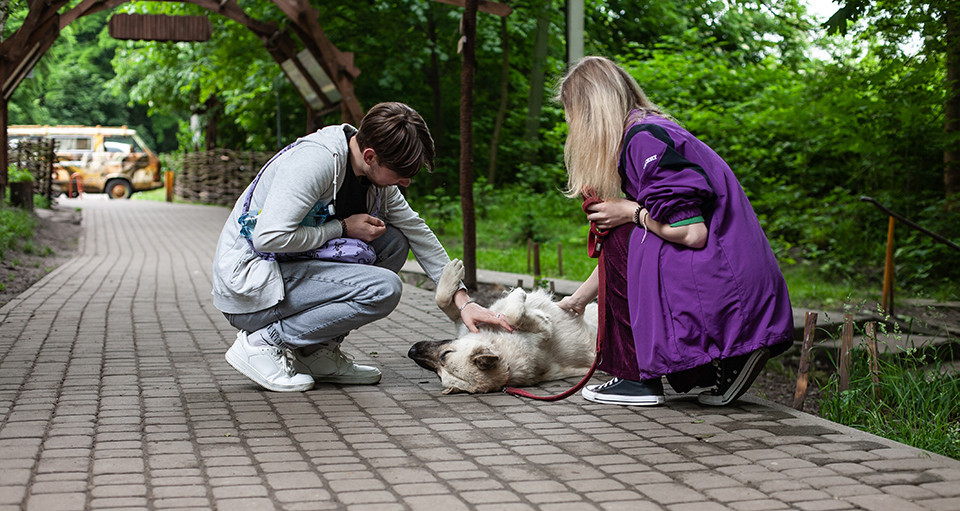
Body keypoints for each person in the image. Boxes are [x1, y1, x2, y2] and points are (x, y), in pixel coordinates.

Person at [212, 102, 512, 392]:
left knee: (393, 241)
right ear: (370, 156)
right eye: (401, 173)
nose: (406, 182)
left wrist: (463, 302)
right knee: (384, 289)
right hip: (250, 289)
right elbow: (269, 238)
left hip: (291, 274)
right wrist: (341, 228)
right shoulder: (314, 163)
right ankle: (263, 343)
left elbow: (416, 229)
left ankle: (316, 353)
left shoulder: (374, 176)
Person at [555, 57, 794, 407]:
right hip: (732, 277)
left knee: (625, 230)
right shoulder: (648, 130)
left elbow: (691, 232)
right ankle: (719, 366)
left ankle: (636, 378)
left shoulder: (642, 141)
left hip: (723, 278)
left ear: (591, 111)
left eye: (571, 116)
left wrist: (630, 211)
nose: (570, 127)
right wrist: (578, 300)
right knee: (623, 232)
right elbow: (627, 247)